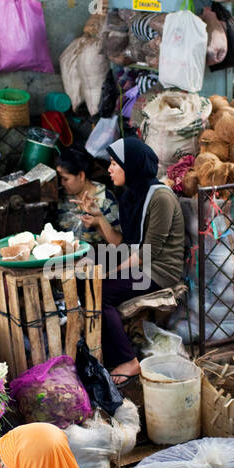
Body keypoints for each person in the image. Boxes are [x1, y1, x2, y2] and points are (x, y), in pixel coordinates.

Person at [82, 137, 185, 385]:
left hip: (159, 271)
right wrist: (99, 219)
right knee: (82, 274)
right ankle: (101, 350)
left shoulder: (160, 198)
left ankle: (128, 360)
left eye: (115, 163)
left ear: (133, 166)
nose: (109, 169)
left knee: (101, 292)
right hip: (140, 263)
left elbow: (146, 254)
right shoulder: (132, 196)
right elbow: (123, 244)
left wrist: (108, 272)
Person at [56, 146, 119, 246]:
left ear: (81, 175)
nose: (62, 183)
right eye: (60, 178)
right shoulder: (61, 196)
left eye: (66, 179)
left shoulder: (106, 200)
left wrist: (99, 223)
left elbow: (118, 242)